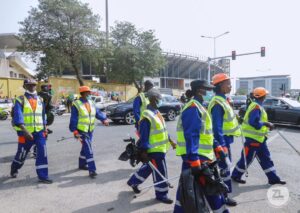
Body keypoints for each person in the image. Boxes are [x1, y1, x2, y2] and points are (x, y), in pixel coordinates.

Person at [174, 80, 229, 213]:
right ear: (200, 90)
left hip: (201, 158)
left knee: (187, 193)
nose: (211, 92)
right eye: (208, 90)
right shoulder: (193, 108)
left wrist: (217, 147)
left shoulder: (200, 107)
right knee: (211, 192)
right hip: (197, 159)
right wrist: (194, 160)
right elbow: (191, 136)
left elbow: (207, 133)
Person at [127, 88, 175, 204]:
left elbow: (163, 129)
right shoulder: (147, 115)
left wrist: (170, 141)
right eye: (160, 99)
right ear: (153, 99)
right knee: (160, 171)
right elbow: (144, 135)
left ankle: (133, 181)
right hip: (154, 149)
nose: (161, 101)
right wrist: (144, 151)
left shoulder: (156, 113)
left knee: (150, 167)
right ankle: (161, 194)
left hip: (161, 148)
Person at [231, 87, 286, 185]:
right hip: (253, 140)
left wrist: (266, 125)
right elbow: (254, 123)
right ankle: (235, 176)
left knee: (266, 159)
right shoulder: (256, 107)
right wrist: (266, 124)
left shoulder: (256, 106)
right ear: (263, 96)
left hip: (259, 140)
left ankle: (273, 179)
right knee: (246, 159)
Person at [207, 73, 241, 206]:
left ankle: (222, 195)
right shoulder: (217, 103)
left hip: (225, 140)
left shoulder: (223, 100)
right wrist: (221, 146)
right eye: (228, 83)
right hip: (222, 142)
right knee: (224, 169)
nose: (230, 85)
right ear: (220, 86)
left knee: (223, 168)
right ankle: (223, 197)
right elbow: (217, 128)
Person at [10, 79, 52, 184]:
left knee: (42, 152)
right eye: (29, 85)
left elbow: (43, 115)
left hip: (39, 132)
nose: (32, 87)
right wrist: (25, 131)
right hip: (24, 133)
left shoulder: (40, 99)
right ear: (25, 86)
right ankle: (14, 168)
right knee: (22, 154)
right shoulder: (19, 100)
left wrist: (45, 126)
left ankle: (43, 176)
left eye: (33, 85)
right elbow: (18, 117)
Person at [69, 86, 109, 178]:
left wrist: (104, 119)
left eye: (89, 92)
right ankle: (92, 170)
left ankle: (82, 164)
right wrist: (74, 130)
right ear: (83, 93)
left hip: (90, 129)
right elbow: (74, 118)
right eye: (87, 92)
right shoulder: (76, 104)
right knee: (88, 148)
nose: (89, 94)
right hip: (81, 131)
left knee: (85, 147)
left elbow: (97, 113)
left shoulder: (91, 102)